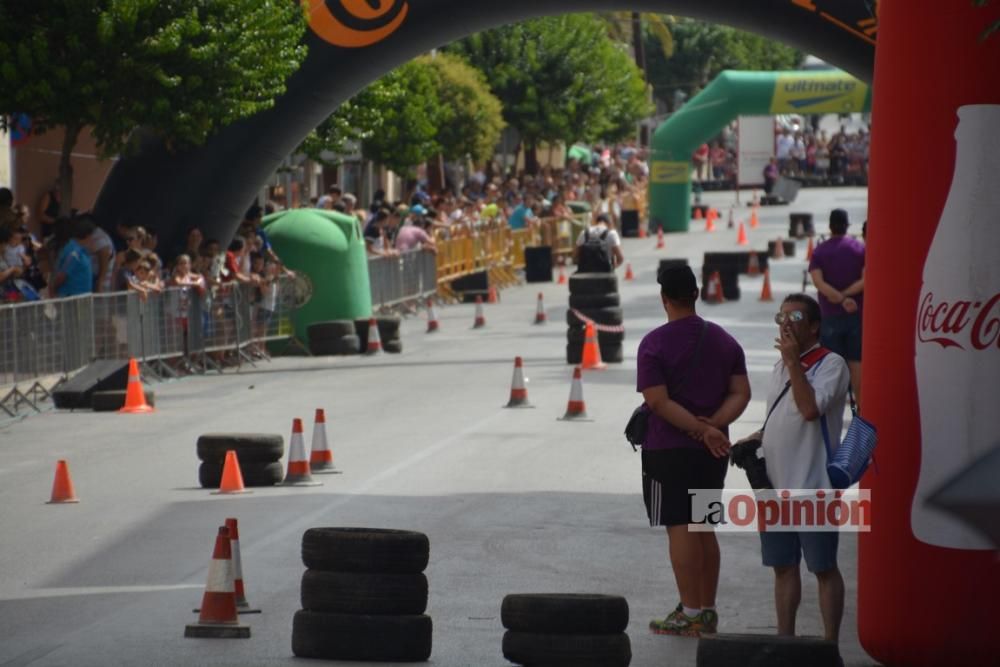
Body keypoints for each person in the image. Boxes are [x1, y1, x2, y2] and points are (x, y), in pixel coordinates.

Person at [638, 266, 751, 637]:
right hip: (711, 454)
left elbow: (657, 402)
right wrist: (713, 428)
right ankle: (706, 611)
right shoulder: (723, 341)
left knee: (680, 525)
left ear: (664, 298)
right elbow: (741, 393)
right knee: (704, 525)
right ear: (697, 294)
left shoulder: (653, 344)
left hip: (668, 450)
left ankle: (688, 613)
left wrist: (700, 429)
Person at [743, 293, 849, 647]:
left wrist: (793, 364)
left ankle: (830, 645)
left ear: (815, 325)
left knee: (822, 568)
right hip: (773, 487)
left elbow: (808, 410)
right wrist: (758, 436)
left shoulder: (832, 364)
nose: (786, 323)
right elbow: (782, 415)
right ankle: (783, 643)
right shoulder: (779, 367)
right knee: (783, 568)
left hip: (813, 485)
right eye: (781, 316)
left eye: (796, 316)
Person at [808, 209, 864, 406]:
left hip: (830, 316)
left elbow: (818, 283)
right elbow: (866, 279)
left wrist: (838, 299)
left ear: (830, 226)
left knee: (832, 365)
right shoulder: (859, 248)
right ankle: (861, 406)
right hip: (856, 315)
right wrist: (848, 297)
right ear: (847, 226)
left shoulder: (820, 251)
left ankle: (832, 407)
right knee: (857, 362)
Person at [50, 218, 96, 298]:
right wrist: (53, 291)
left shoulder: (81, 250)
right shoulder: (73, 252)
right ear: (88, 235)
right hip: (72, 298)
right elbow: (62, 275)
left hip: (82, 297)